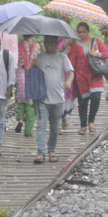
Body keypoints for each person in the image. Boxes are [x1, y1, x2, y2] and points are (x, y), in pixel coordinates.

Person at [33, 36, 74, 164]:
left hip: (57, 98)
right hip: (41, 99)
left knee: (55, 127)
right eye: (47, 42)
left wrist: (68, 81)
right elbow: (31, 73)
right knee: (41, 125)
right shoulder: (38, 58)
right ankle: (41, 152)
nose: (49, 44)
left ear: (56, 43)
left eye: (52, 42)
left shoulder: (62, 57)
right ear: (44, 43)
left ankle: (52, 149)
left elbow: (70, 72)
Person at [67, 22, 108, 135]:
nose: (81, 34)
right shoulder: (75, 45)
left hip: (95, 75)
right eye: (79, 32)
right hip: (80, 77)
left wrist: (97, 55)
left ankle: (91, 121)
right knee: (83, 102)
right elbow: (71, 61)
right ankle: (83, 126)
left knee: (96, 98)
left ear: (88, 32)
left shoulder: (96, 41)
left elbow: (106, 53)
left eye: (83, 32)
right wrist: (70, 76)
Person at [14, 34, 40, 137]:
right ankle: (28, 131)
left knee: (20, 101)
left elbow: (15, 62)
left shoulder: (17, 46)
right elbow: (37, 63)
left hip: (20, 76)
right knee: (30, 106)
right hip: (31, 78)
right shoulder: (37, 47)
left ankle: (20, 119)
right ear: (33, 34)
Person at [55, 16, 75, 134]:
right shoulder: (54, 37)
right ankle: (57, 123)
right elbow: (53, 53)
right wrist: (65, 45)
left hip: (68, 70)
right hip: (56, 70)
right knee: (57, 95)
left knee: (65, 94)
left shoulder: (72, 37)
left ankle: (62, 117)